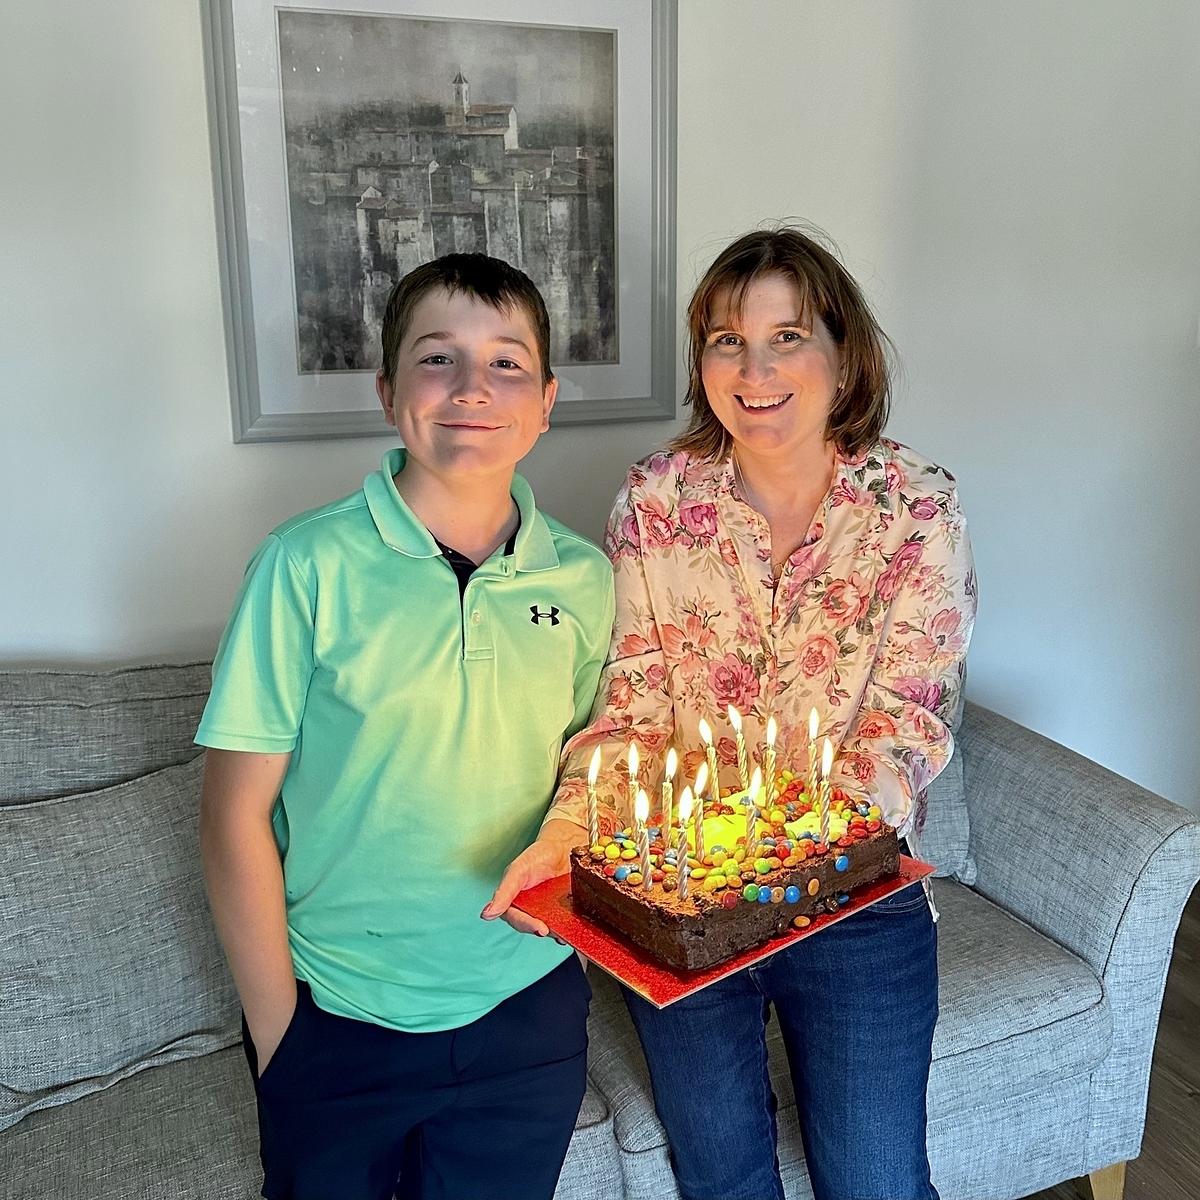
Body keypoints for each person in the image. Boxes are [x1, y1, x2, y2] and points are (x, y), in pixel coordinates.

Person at [555, 226, 976, 1200]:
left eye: (787, 336)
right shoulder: (658, 500)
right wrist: (572, 830)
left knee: (876, 1180)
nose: (754, 368)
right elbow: (631, 696)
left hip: (852, 899)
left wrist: (788, 859)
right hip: (685, 903)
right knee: (724, 1178)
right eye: (726, 340)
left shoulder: (914, 505)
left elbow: (911, 715)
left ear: (843, 353)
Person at [196, 253, 614, 1200]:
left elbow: (592, 780)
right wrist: (280, 1034)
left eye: (508, 363)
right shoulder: (304, 566)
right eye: (438, 359)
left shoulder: (586, 580)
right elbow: (232, 820)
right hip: (338, 1016)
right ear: (390, 393)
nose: (473, 388)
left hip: (529, 1011)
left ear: (546, 403)